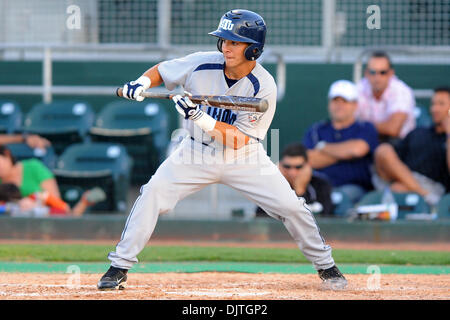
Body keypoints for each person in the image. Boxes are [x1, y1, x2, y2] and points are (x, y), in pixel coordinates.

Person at [97, 9, 347, 291]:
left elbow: (239, 139)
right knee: (152, 192)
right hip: (194, 151)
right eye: (224, 41)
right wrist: (141, 83)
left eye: (235, 42)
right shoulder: (203, 63)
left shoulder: (263, 86)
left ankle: (327, 267)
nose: (226, 47)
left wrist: (198, 116)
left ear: (253, 49)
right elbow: (163, 70)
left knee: (291, 207)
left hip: (243, 156)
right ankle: (118, 266)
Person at [303, 80, 379, 205]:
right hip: (319, 186)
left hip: (356, 189)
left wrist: (323, 147)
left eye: (345, 101)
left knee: (339, 197)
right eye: (335, 101)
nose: (339, 105)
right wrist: (346, 153)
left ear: (355, 105)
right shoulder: (316, 130)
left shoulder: (365, 127)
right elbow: (309, 159)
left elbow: (358, 149)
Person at [373, 87, 450, 206]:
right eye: (433, 104)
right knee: (384, 150)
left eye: (441, 104)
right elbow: (392, 162)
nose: (435, 109)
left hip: (434, 187)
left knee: (397, 190)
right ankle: (423, 195)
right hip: (406, 179)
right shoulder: (418, 132)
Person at [0, 146, 105, 216]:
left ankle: (84, 202)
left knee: (66, 214)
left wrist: (33, 204)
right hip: (13, 224)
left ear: (7, 154)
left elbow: (57, 203)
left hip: (44, 216)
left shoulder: (33, 167)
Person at [256, 143, 333, 217]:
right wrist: (279, 183)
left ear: (307, 166)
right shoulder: (272, 185)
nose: (292, 172)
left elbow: (326, 217)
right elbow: (261, 217)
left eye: (298, 167)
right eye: (287, 166)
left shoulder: (320, 184)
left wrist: (300, 191)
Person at [356, 51, 416, 143]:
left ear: (391, 73)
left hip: (400, 144)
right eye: (373, 72)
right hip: (367, 140)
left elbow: (393, 129)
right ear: (366, 73)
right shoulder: (359, 88)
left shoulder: (401, 91)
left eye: (383, 72)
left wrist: (362, 126)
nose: (377, 77)